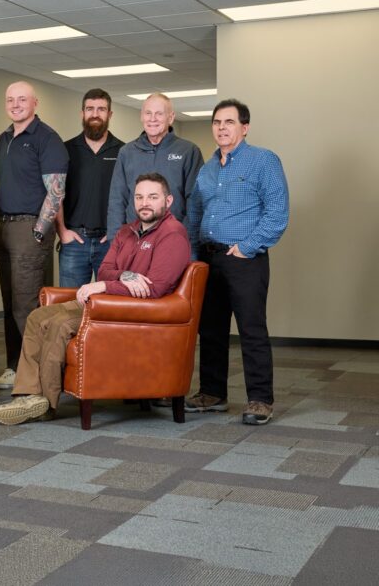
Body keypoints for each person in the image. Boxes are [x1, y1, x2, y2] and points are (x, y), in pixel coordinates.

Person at [0, 173, 190, 425]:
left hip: (128, 312)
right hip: (104, 302)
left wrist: (106, 284)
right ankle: (28, 394)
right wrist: (126, 276)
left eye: (153, 197)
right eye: (139, 196)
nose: (145, 203)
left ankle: (46, 404)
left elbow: (156, 288)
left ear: (168, 200)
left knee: (60, 325)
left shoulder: (173, 234)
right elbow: (106, 268)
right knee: (37, 316)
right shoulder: (127, 232)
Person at [186, 99, 289, 426]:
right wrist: (191, 258)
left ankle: (260, 399)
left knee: (251, 329)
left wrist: (246, 247)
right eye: (217, 122)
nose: (221, 128)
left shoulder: (263, 161)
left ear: (244, 127)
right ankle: (213, 393)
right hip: (208, 257)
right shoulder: (207, 168)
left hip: (244, 258)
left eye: (229, 122)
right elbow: (194, 216)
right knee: (211, 329)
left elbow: (277, 213)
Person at [0, 81, 68, 392]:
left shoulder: (47, 138)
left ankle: (37, 377)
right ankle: (14, 367)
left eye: (22, 99)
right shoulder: (3, 138)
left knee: (27, 308)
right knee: (10, 305)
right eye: (10, 99)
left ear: (35, 103)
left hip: (29, 229)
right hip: (3, 229)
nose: (16, 104)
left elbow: (56, 190)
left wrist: (39, 230)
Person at [106, 93, 204, 244]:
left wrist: (186, 239)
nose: (153, 119)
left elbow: (195, 201)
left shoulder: (188, 151)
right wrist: (115, 241)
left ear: (170, 118)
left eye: (159, 114)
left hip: (174, 240)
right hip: (134, 241)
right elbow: (117, 200)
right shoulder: (127, 152)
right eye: (148, 113)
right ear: (141, 116)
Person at [56, 88, 124, 289]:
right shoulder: (64, 150)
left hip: (110, 243)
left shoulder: (124, 151)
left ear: (110, 114)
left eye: (101, 109)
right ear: (82, 113)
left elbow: (130, 197)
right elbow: (55, 193)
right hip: (74, 242)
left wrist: (118, 233)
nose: (95, 114)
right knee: (70, 306)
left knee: (110, 306)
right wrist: (62, 231)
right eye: (90, 109)